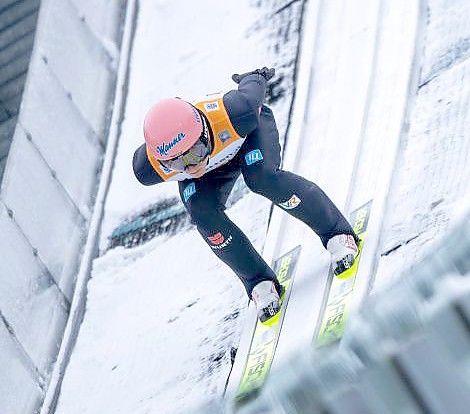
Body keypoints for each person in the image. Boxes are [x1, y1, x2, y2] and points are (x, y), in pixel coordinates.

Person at [132, 67, 359, 322]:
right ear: (161, 161)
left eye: (195, 151)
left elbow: (254, 83)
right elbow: (190, 164)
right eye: (176, 163)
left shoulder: (239, 111)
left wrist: (254, 77)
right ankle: (257, 281)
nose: (191, 166)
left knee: (262, 178)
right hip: (212, 171)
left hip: (246, 137)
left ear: (205, 132)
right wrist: (193, 159)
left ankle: (336, 232)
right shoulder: (147, 168)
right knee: (203, 215)